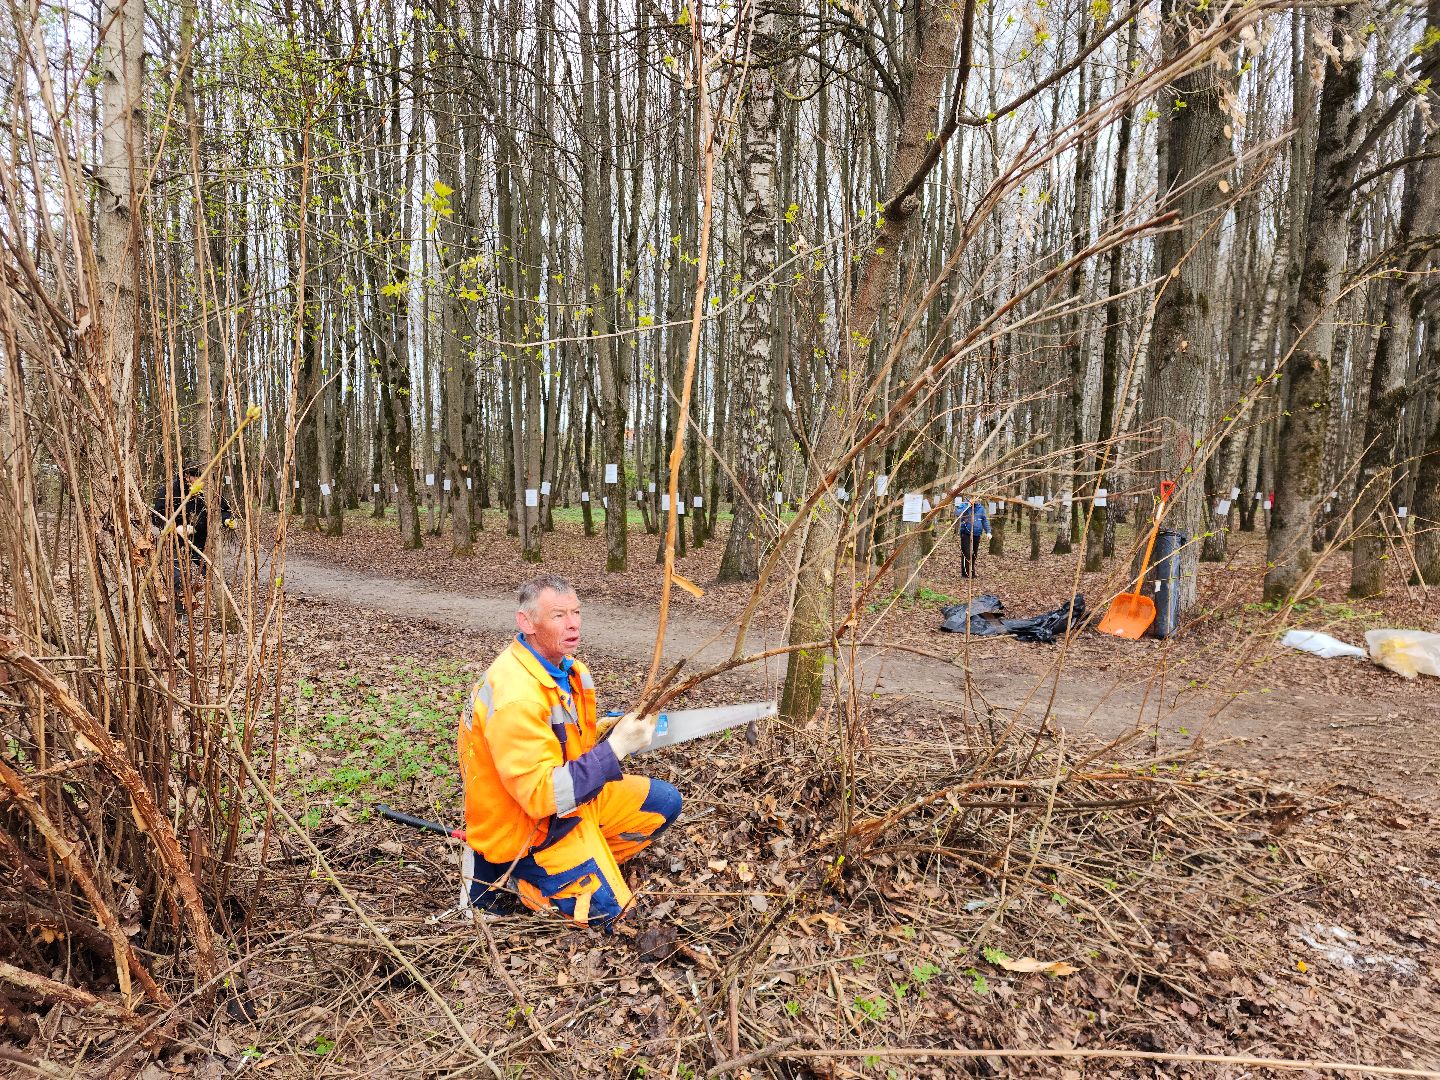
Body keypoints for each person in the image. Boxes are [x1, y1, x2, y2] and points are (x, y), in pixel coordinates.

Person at [457, 575, 682, 928]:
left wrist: (615, 729)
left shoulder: (570, 671)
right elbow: (542, 795)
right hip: (527, 830)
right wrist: (618, 749)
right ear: (526, 622)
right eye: (558, 615)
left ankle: (584, 860)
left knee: (664, 802)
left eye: (576, 612)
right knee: (614, 913)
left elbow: (570, 743)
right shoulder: (517, 695)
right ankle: (519, 876)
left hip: (571, 805)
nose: (573, 623)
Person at [151, 461, 234, 605]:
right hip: (177, 540)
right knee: (179, 577)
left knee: (212, 570)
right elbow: (157, 516)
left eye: (200, 477)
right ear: (185, 476)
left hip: (200, 538)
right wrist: (175, 527)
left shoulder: (208, 489)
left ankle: (225, 603)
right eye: (194, 477)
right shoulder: (171, 490)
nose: (198, 480)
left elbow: (222, 509)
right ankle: (181, 609)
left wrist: (226, 520)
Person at [953, 495, 990, 578]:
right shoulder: (964, 505)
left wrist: (988, 531)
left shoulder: (980, 508)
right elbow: (958, 513)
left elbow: (984, 520)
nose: (976, 500)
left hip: (977, 534)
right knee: (966, 553)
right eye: (974, 498)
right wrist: (968, 505)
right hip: (966, 533)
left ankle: (971, 572)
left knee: (974, 554)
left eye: (977, 498)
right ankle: (965, 573)